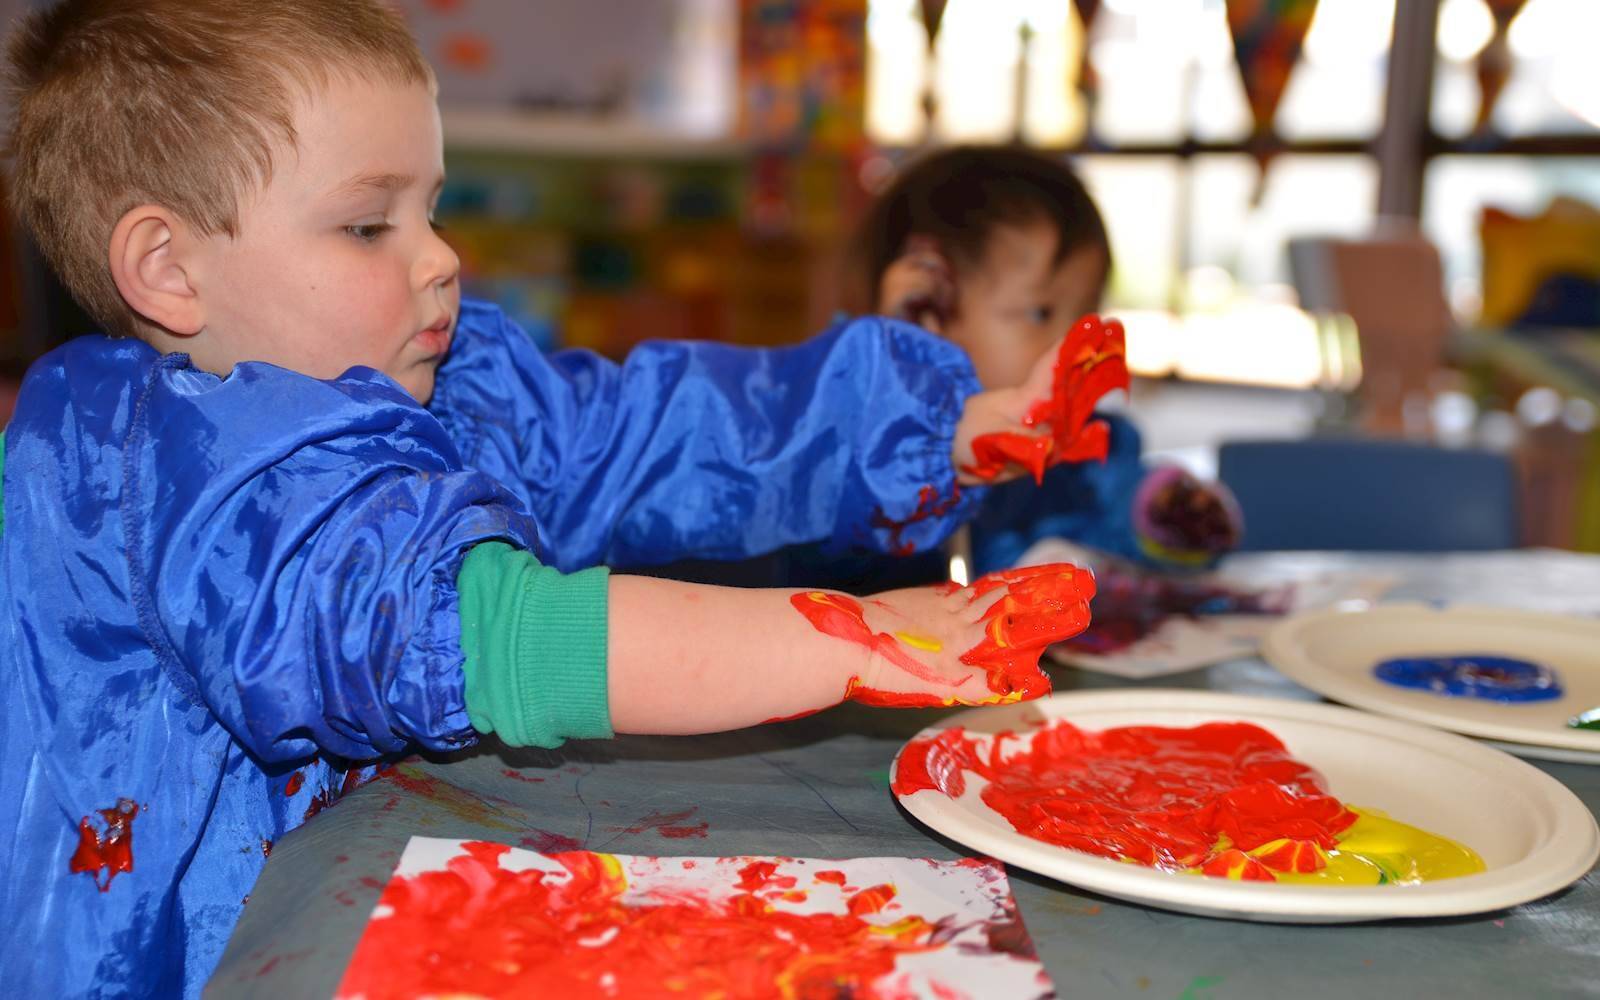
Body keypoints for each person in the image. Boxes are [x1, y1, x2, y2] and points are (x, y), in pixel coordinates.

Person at [0, 4, 1093, 995]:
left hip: (341, 895)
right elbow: (494, 635)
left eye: (431, 206)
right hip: (168, 961)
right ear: (167, 269)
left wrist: (926, 427)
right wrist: (858, 637)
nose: (440, 258)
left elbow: (653, 432)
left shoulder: (439, 378)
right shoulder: (164, 475)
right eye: (368, 225)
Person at [857, 145, 1241, 584]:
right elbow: (834, 556)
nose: (1075, 341)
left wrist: (1167, 513)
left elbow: (1116, 506)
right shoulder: (865, 443)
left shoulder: (1087, 447)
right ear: (929, 317)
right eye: (1041, 312)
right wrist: (895, 377)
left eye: (1088, 312)